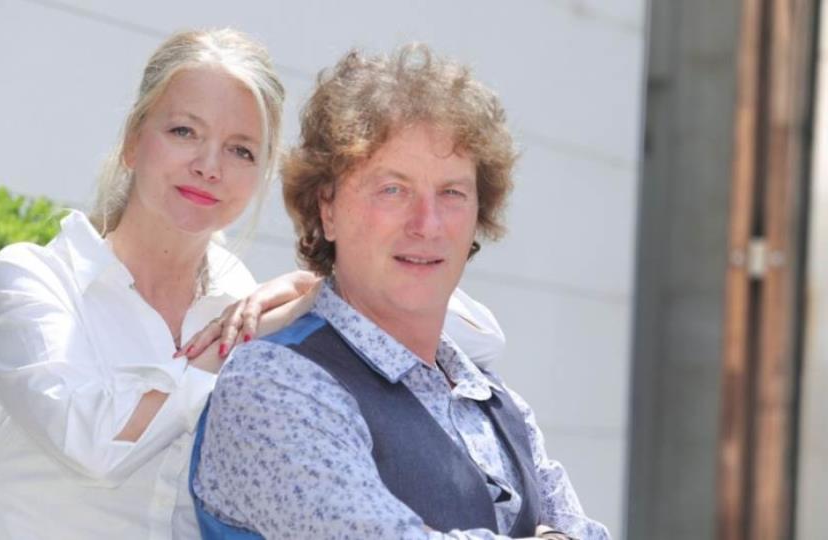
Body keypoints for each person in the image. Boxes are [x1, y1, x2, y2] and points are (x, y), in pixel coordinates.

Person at [0, 28, 508, 540]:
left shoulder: (241, 293)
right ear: (133, 142)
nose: (210, 166)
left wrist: (323, 288)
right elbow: (94, 445)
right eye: (184, 132)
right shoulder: (36, 278)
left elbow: (480, 339)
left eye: (241, 150)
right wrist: (232, 347)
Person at [191, 45, 611, 539]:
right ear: (327, 209)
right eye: (393, 189)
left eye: (452, 193)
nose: (427, 224)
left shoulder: (496, 402)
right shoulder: (273, 384)